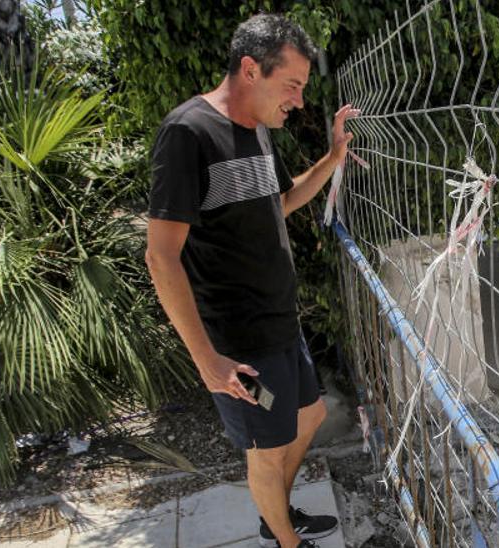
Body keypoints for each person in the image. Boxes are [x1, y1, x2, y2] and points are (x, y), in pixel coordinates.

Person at [144, 14, 358, 548]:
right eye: (292, 85)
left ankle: (275, 515)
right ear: (249, 69)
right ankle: (286, 541)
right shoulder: (187, 133)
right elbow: (160, 256)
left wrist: (333, 159)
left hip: (280, 323)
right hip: (239, 343)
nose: (300, 101)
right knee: (265, 450)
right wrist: (206, 359)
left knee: (308, 416)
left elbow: (280, 204)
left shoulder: (259, 129)